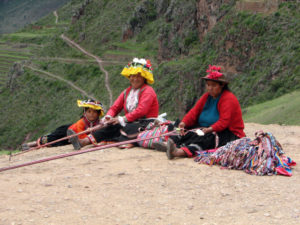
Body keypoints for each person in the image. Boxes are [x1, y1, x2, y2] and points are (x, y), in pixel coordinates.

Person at [154, 65, 245, 159]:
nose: (210, 88)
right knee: (179, 126)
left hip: (226, 133)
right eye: (208, 85)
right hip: (206, 128)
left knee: (207, 137)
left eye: (214, 85)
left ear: (222, 85)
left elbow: (224, 121)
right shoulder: (206, 97)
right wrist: (183, 123)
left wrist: (210, 129)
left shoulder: (228, 98)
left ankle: (179, 152)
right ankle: (170, 143)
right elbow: (194, 112)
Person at [69, 57, 159, 150]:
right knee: (110, 125)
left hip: (145, 123)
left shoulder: (148, 91)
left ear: (144, 78)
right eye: (133, 76)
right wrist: (109, 117)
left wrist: (122, 119)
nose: (135, 79)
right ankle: (83, 142)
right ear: (129, 77)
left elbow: (141, 111)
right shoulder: (127, 92)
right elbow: (115, 107)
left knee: (120, 127)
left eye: (138, 76)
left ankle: (87, 141)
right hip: (130, 122)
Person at [21, 99, 104, 150]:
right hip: (67, 131)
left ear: (98, 114)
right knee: (51, 138)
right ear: (84, 113)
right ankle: (31, 144)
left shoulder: (98, 123)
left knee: (55, 144)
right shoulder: (81, 122)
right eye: (89, 111)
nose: (91, 114)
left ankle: (32, 148)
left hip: (71, 139)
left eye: (94, 112)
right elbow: (81, 137)